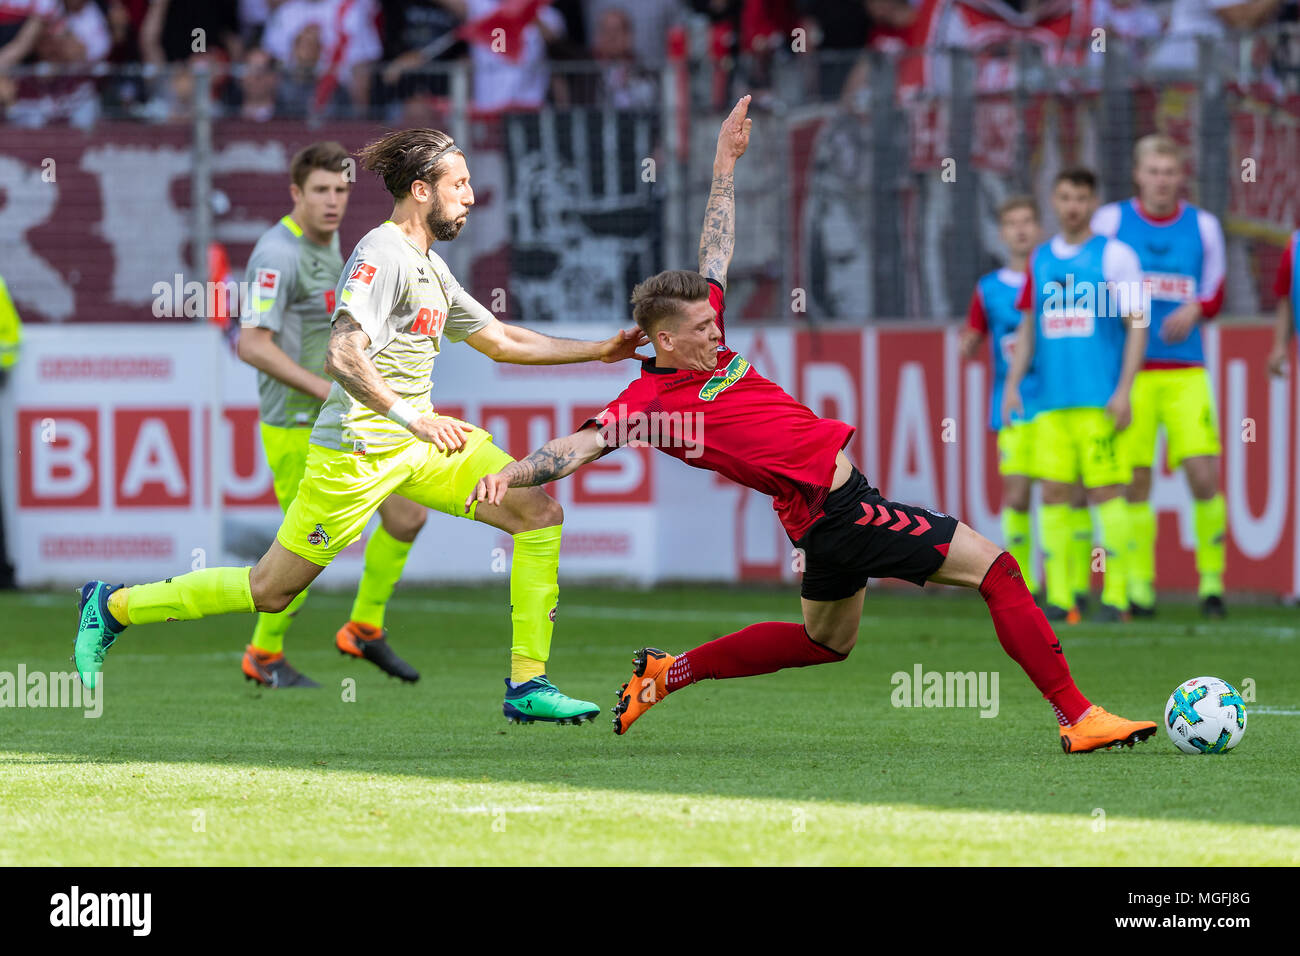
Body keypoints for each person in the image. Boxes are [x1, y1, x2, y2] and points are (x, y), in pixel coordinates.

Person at [468, 97, 1158, 753]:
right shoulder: (648, 404)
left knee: (825, 641)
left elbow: (716, 254)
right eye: (704, 328)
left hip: (818, 514)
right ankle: (1079, 715)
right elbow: (577, 446)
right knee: (999, 572)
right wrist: (509, 473)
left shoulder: (704, 339)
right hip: (840, 513)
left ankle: (668, 672)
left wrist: (724, 167)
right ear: (665, 342)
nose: (718, 330)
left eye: (715, 320)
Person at [73, 128, 651, 725]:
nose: (472, 196)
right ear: (422, 191)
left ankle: (527, 685)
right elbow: (342, 353)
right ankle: (114, 606)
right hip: (357, 451)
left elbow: (501, 339)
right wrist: (412, 417)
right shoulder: (382, 254)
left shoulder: (429, 262)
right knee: (271, 589)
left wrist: (600, 350)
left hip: (417, 446)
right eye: (460, 184)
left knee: (537, 512)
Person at [237, 141, 424, 688]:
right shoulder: (278, 254)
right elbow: (251, 344)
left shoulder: (334, 246)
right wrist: (328, 386)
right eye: (320, 190)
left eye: (341, 190)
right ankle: (263, 654)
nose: (332, 201)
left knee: (407, 516)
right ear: (296, 193)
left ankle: (363, 627)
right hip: (297, 425)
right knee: (306, 551)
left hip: (341, 418)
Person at [1091, 135, 1228, 618]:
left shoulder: (1205, 226)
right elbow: (1091, 276)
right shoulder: (1110, 221)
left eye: (1171, 171)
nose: (1163, 180)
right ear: (1138, 174)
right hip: (1132, 373)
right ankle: (1139, 587)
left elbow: (1215, 290)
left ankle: (1212, 584)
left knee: (1202, 473)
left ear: (1180, 176)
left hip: (1187, 371)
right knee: (1135, 479)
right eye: (1154, 170)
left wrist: (1198, 307)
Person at [1004, 167, 1148, 623]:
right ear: (1054, 199)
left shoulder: (1115, 256)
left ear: (1092, 202)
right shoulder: (1041, 259)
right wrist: (1012, 383)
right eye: (1064, 197)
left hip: (1099, 401)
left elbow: (1137, 325)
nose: (1072, 206)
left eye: (1081, 198)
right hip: (1050, 402)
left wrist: (1125, 389)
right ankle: (1063, 598)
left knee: (1108, 493)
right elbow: (1029, 325)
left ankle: (1118, 597)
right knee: (1054, 493)